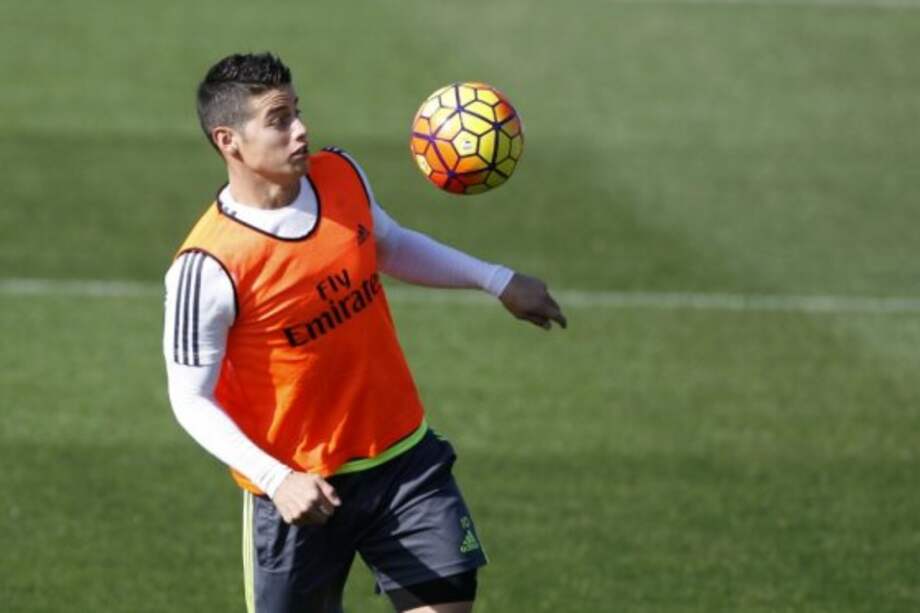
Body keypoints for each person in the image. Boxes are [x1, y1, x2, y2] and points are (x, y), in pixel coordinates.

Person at [163, 52, 566, 613]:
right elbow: (190, 398)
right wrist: (276, 479)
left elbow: (389, 244)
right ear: (228, 140)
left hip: (402, 461)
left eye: (297, 111)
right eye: (279, 119)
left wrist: (497, 281)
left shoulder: (339, 174)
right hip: (299, 492)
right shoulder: (208, 264)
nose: (300, 129)